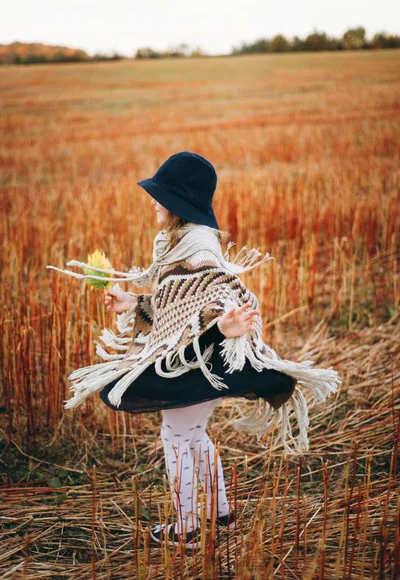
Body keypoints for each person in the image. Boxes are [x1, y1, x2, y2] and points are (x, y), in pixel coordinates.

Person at [47, 151, 341, 551]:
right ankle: (220, 513)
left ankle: (185, 530)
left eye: (160, 195)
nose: (153, 201)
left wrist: (222, 324)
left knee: (175, 434)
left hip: (204, 358)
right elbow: (177, 305)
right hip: (195, 353)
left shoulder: (199, 246)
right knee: (192, 432)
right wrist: (133, 303)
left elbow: (216, 291)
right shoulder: (175, 240)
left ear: (178, 203)